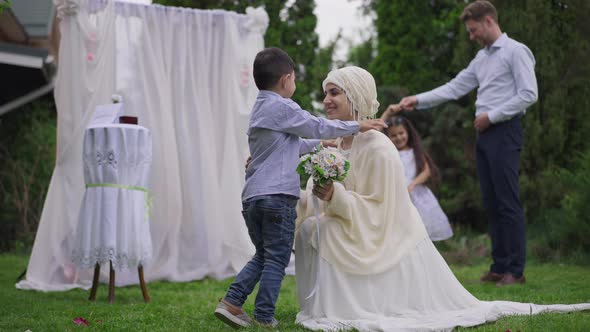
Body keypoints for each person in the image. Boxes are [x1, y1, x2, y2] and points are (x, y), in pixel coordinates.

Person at [294, 65, 589, 332]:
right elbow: (315, 195)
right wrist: (306, 197)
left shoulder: (378, 146)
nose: (327, 100)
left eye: (334, 93)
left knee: (322, 233)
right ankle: (320, 307)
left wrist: (337, 196)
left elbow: (382, 209)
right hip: (354, 225)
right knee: (309, 229)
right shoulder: (334, 143)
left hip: (383, 233)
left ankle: (342, 310)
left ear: (356, 95)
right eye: (325, 94)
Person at [213, 47, 386, 329]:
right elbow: (314, 125)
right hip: (277, 198)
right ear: (286, 79)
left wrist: (322, 145)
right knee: (277, 259)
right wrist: (355, 126)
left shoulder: (260, 107)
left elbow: (287, 145)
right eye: (294, 79)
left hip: (253, 198)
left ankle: (231, 303)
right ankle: (265, 316)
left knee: (263, 255)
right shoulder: (283, 106)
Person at [393, 0, 537, 286]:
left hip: (504, 130)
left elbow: (529, 94)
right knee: (492, 201)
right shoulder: (482, 59)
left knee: (507, 201)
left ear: (488, 21)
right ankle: (499, 266)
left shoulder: (515, 51)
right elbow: (455, 87)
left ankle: (515, 270)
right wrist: (417, 100)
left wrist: (491, 116)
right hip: (484, 134)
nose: (471, 37)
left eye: (473, 31)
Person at [381, 109, 453, 241]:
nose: (398, 138)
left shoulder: (415, 152)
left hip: (416, 192)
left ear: (408, 132)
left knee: (421, 225)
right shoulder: (389, 153)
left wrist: (413, 183)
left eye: (401, 133)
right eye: (394, 135)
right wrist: (387, 112)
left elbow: (427, 171)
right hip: (398, 194)